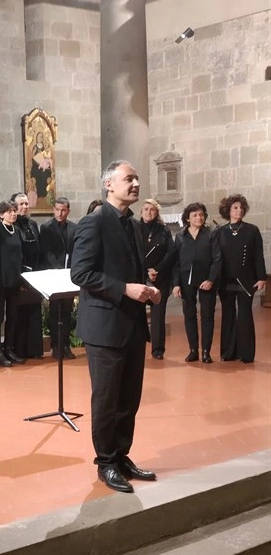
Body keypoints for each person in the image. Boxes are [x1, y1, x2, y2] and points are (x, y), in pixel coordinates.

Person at [70, 160, 161, 493]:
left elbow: (131, 270)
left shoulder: (133, 224)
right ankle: (105, 462)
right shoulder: (93, 223)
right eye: (129, 178)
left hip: (132, 324)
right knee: (107, 399)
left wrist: (147, 289)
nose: (136, 183)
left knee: (129, 398)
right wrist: (125, 289)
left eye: (137, 178)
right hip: (105, 327)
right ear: (109, 184)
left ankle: (122, 455)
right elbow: (80, 274)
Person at [215, 194, 266, 364]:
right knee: (228, 315)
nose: (239, 210)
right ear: (228, 211)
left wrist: (261, 277)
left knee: (244, 315)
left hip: (246, 280)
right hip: (226, 281)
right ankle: (228, 352)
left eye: (241, 207)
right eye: (235, 207)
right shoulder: (220, 232)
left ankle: (247, 354)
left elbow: (258, 256)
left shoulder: (252, 230)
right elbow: (217, 258)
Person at [171, 203, 221, 364]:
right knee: (189, 315)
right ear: (187, 218)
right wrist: (176, 284)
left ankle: (206, 351)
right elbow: (176, 262)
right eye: (195, 215)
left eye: (201, 215)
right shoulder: (180, 236)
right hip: (186, 280)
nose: (199, 218)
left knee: (207, 315)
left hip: (206, 280)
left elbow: (218, 259)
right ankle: (193, 350)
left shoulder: (211, 234)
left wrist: (211, 279)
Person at [0, 201, 23, 367]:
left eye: (14, 211)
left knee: (13, 317)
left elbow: (19, 257)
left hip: (14, 281)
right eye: (9, 211)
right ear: (1, 214)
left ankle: (9, 348)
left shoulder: (17, 231)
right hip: (0, 281)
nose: (13, 214)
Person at [39, 197, 77, 360]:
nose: (60, 213)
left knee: (67, 311)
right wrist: (59, 269)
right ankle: (56, 346)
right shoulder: (46, 228)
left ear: (68, 211)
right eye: (57, 210)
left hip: (69, 275)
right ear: (53, 210)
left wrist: (70, 270)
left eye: (63, 210)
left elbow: (76, 250)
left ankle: (66, 345)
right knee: (56, 311)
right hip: (55, 274)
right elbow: (47, 252)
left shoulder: (74, 228)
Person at [139, 198, 175, 360]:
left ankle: (158, 350)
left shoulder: (164, 230)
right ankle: (137, 346)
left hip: (161, 278)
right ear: (141, 212)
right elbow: (131, 253)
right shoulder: (135, 228)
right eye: (146, 209)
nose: (148, 212)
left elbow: (171, 253)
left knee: (158, 315)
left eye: (152, 209)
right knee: (137, 315)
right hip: (139, 277)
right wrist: (146, 271)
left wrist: (157, 270)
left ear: (157, 212)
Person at [11, 192, 43, 360]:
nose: (24, 206)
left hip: (35, 273)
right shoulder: (12, 225)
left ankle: (35, 350)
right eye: (21, 204)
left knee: (34, 311)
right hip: (20, 273)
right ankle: (20, 350)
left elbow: (38, 248)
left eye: (26, 204)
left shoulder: (33, 223)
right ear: (14, 207)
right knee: (20, 313)